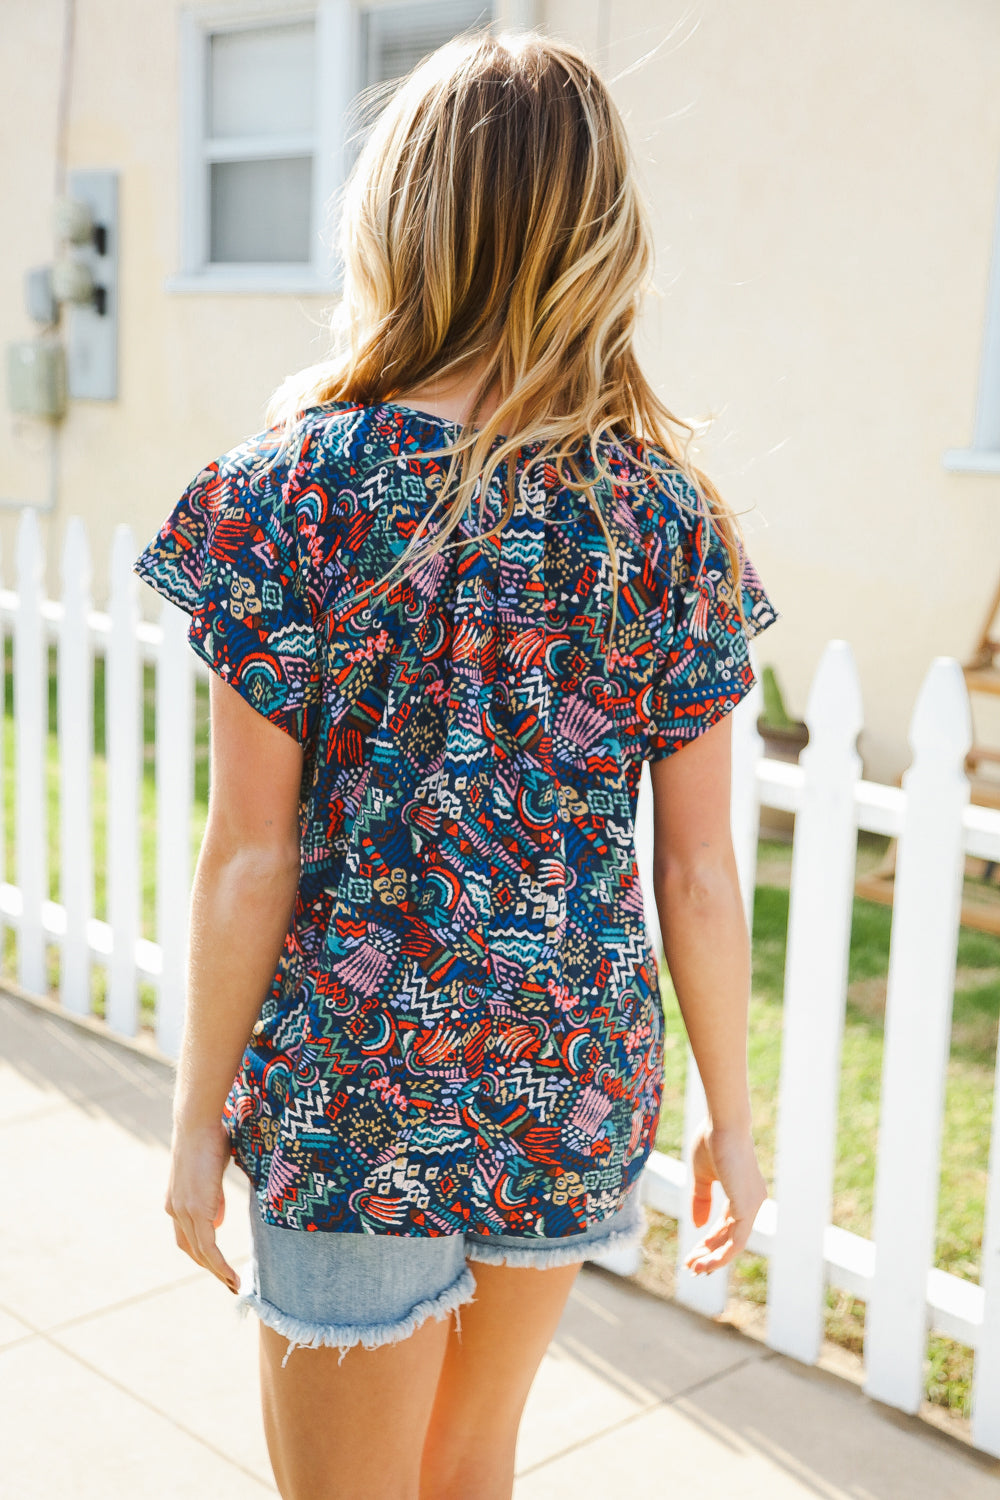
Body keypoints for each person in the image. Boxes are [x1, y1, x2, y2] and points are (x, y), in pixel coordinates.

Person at [132, 26, 780, 1500]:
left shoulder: (288, 495)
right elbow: (697, 865)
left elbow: (250, 853)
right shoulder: (669, 520)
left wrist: (193, 1123)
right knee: (470, 1464)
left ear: (397, 213)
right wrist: (732, 1127)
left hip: (361, 1088)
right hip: (569, 1068)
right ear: (602, 234)